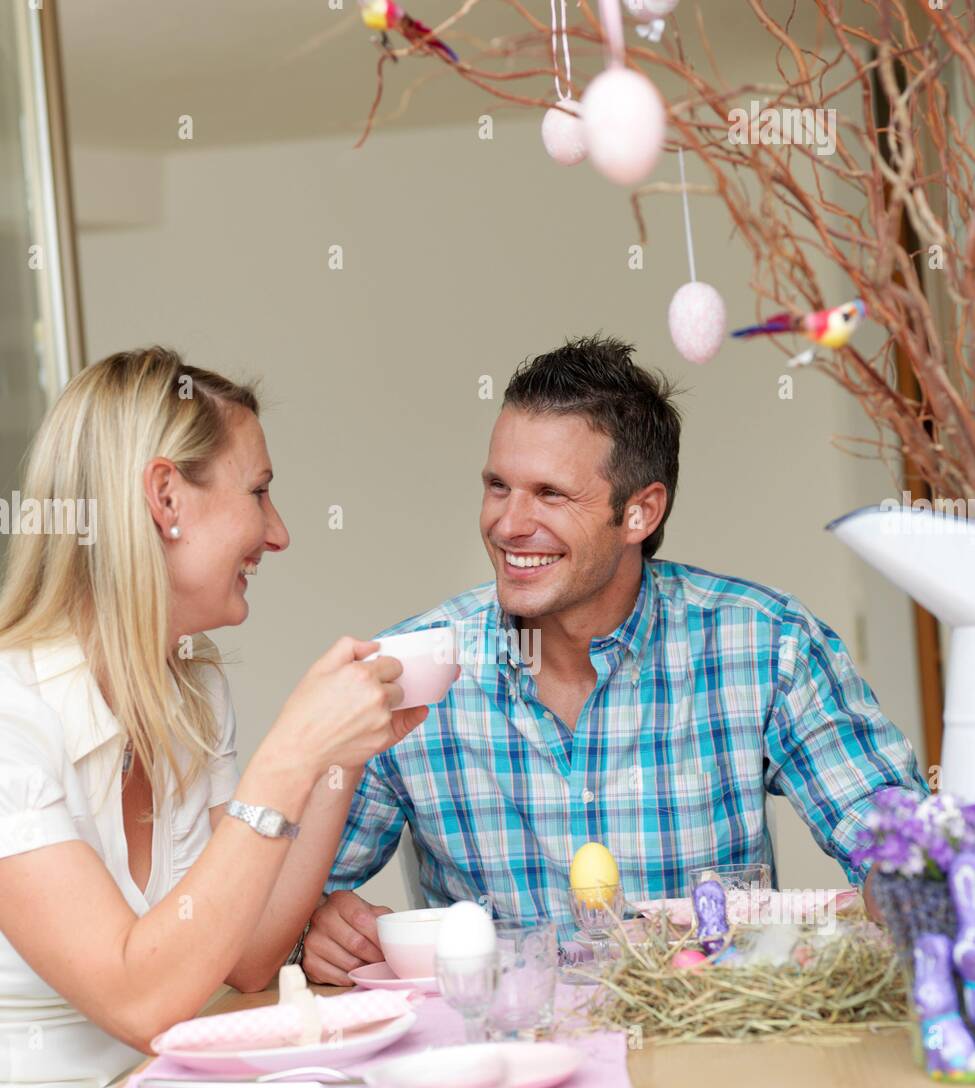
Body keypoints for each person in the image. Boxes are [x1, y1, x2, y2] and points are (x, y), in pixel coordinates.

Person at [302, 334, 926, 986]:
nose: (508, 524)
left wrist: (909, 891)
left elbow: (902, 852)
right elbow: (289, 910)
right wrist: (323, 930)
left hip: (710, 1060)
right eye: (497, 486)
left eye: (549, 494)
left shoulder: (768, 646)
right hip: (509, 1066)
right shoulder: (410, 670)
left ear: (639, 512)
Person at [0, 347, 427, 1088]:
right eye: (259, 491)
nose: (278, 532)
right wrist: (287, 754)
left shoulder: (190, 691)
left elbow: (245, 952)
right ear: (166, 498)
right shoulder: (13, 717)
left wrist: (334, 758)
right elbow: (142, 999)